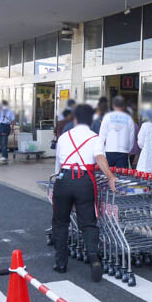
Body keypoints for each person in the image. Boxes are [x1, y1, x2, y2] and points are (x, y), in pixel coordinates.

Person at [52, 104, 117, 281]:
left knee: (60, 222)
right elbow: (100, 158)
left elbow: (58, 164)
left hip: (64, 180)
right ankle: (94, 260)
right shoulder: (95, 138)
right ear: (91, 120)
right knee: (88, 223)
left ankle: (60, 264)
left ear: (75, 119)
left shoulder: (64, 137)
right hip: (84, 182)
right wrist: (110, 176)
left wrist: (58, 180)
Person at [99, 96, 135, 168]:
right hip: (123, 151)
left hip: (109, 150)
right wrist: (128, 150)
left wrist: (101, 150)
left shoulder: (107, 117)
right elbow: (132, 137)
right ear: (124, 106)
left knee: (107, 176)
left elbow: (102, 135)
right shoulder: (129, 118)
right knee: (122, 176)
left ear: (113, 105)